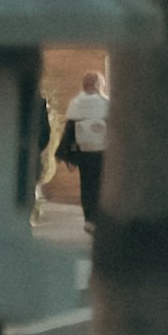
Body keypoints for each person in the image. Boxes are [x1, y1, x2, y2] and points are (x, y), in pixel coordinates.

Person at [61, 69, 112, 225]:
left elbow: (69, 130)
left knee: (87, 185)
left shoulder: (76, 103)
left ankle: (90, 218)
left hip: (84, 152)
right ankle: (102, 217)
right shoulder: (106, 103)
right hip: (103, 152)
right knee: (103, 185)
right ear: (99, 85)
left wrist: (68, 156)